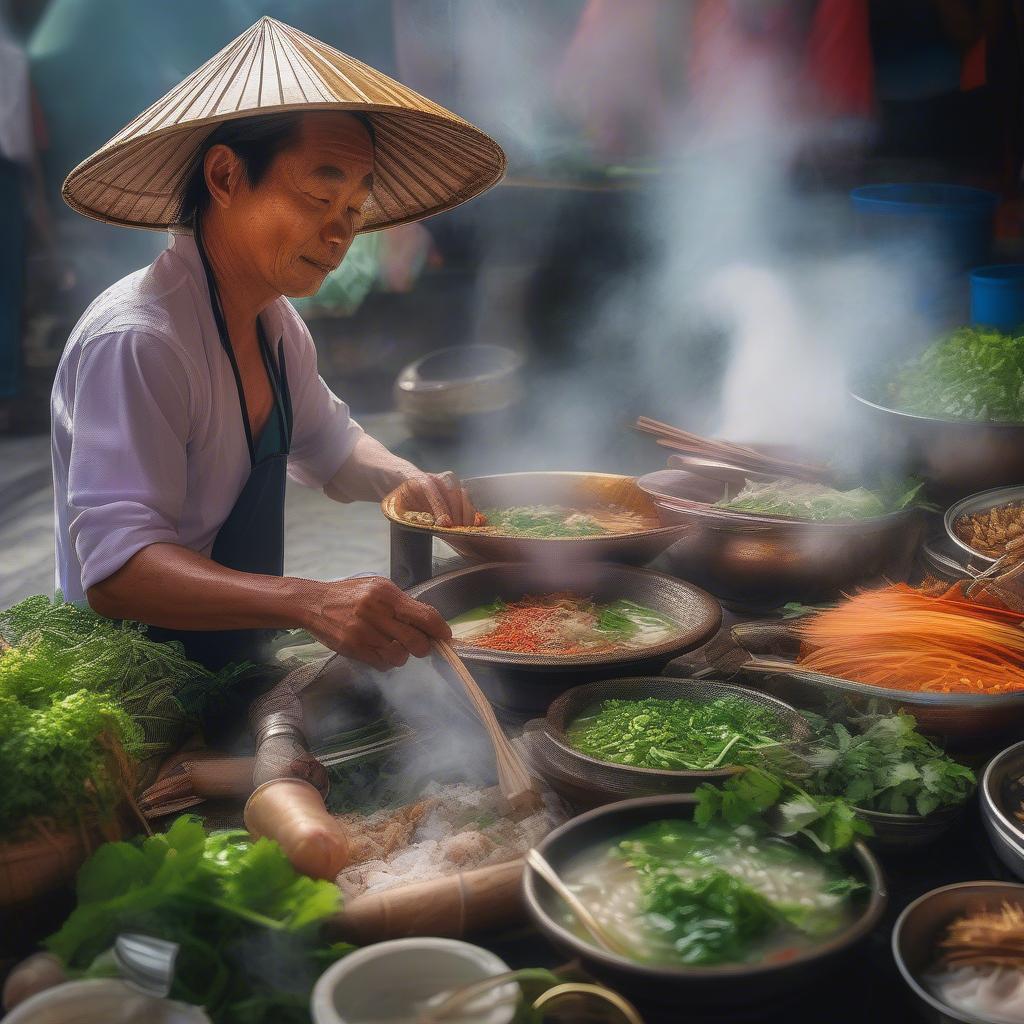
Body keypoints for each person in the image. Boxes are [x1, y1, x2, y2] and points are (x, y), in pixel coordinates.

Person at [51, 16, 506, 672]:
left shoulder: (275, 324)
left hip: (231, 660)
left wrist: (414, 484)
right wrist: (311, 601)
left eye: (354, 209)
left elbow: (333, 446)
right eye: (321, 194)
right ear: (226, 177)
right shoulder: (140, 342)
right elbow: (117, 573)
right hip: (132, 688)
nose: (339, 233)